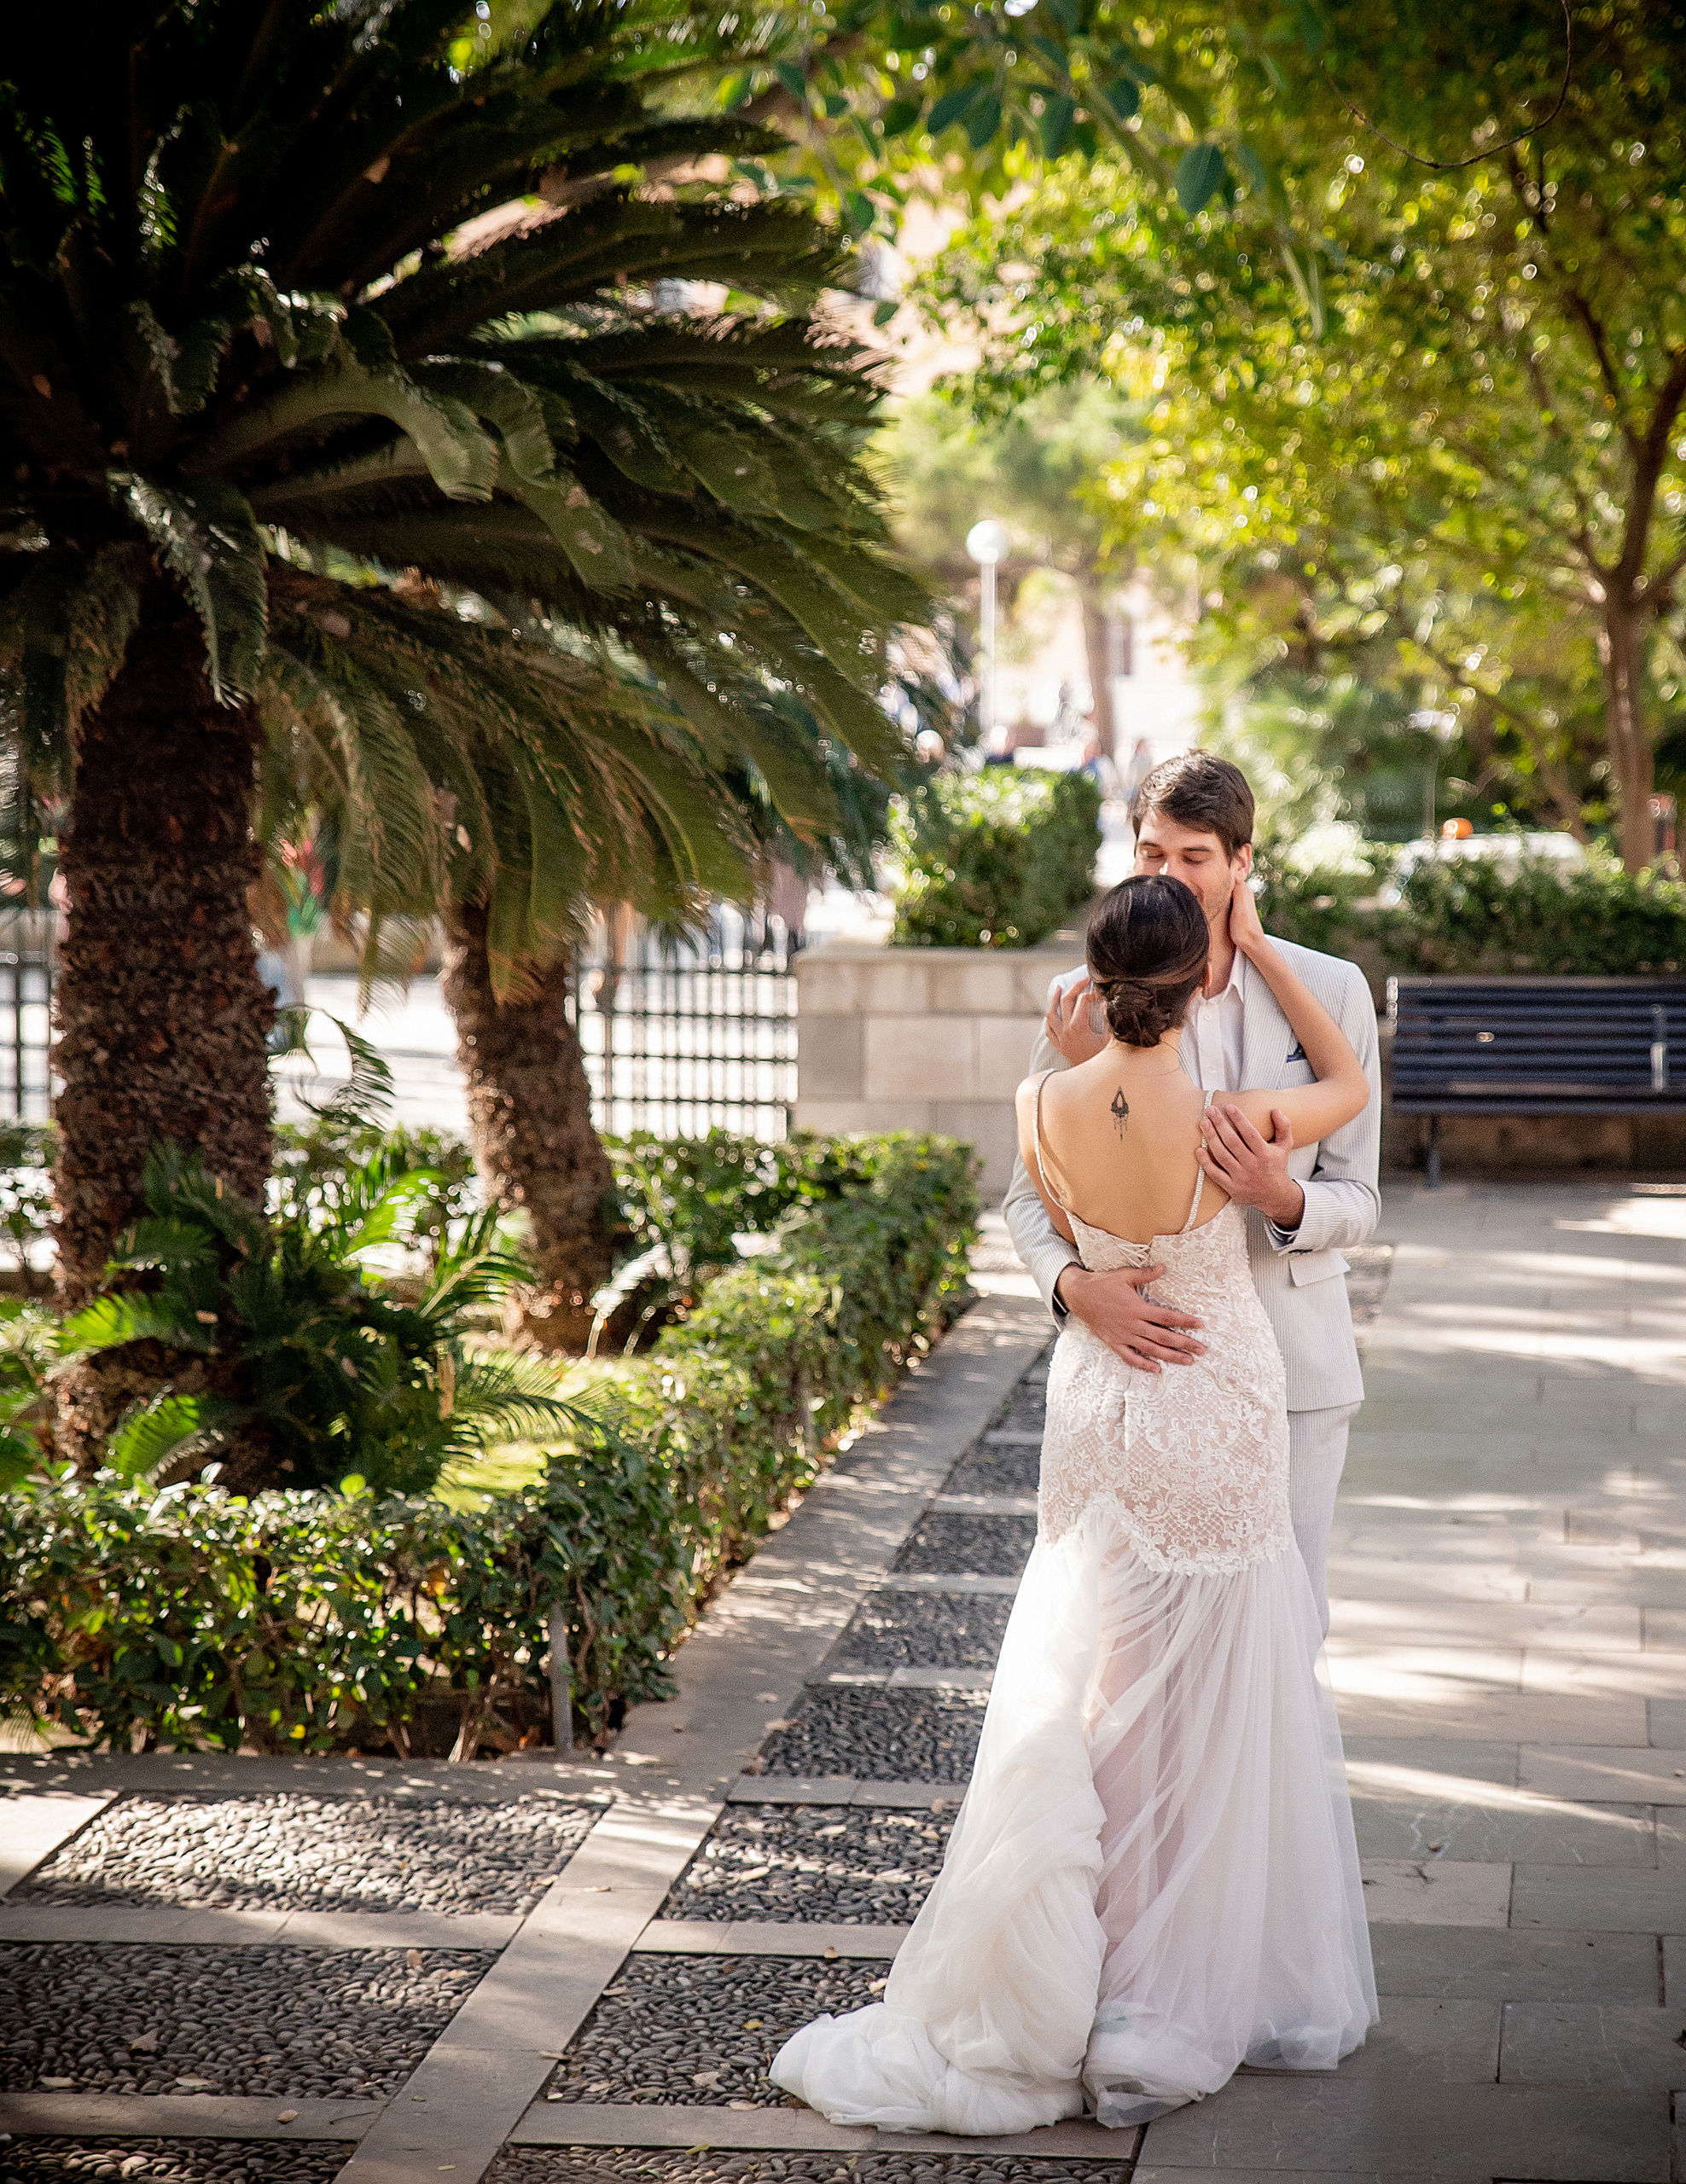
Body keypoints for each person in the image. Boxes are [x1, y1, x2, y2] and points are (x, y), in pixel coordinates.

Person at [771, 871, 1377, 2132]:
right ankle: (1154, 1990)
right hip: (1210, 1402)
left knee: (1094, 1691)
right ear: (1190, 979)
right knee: (1201, 1706)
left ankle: (1083, 1968)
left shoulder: (1040, 1098)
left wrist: (1072, 1056)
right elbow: (1349, 1085)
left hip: (1098, 1410)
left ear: (1096, 980)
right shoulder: (1231, 1118)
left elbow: (1049, 1207)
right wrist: (1258, 945)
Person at [1007, 752, 1380, 1633]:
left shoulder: (1330, 990)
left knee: (1282, 1634)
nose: (1168, 874)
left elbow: (1360, 1196)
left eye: (1193, 856)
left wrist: (1282, 1199)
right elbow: (1030, 1195)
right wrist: (1075, 1289)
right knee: (1126, 1640)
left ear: (1241, 862)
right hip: (1135, 1380)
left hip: (1292, 1370)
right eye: (1151, 853)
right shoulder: (1082, 1000)